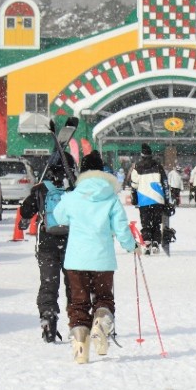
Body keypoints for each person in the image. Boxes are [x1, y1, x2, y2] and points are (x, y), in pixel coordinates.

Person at [53, 152, 138, 363]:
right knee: (103, 298)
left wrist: (71, 201)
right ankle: (101, 322)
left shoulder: (72, 196)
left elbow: (58, 216)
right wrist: (131, 245)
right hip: (103, 260)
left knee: (78, 303)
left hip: (76, 260)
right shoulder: (110, 197)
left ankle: (81, 348)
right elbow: (121, 227)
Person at [18, 151, 76, 343]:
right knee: (74, 284)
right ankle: (77, 323)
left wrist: (36, 192)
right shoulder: (75, 189)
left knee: (48, 284)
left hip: (47, 242)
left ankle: (48, 318)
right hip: (72, 243)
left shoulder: (42, 188)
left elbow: (26, 210)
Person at [130, 144, 170, 254]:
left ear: (142, 155)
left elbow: (134, 184)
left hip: (143, 199)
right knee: (156, 223)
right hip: (158, 199)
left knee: (146, 223)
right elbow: (165, 184)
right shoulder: (158, 166)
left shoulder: (137, 167)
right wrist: (167, 200)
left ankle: (147, 242)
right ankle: (156, 242)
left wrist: (134, 197)